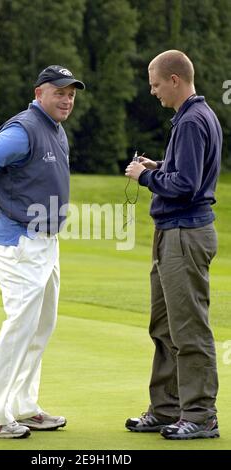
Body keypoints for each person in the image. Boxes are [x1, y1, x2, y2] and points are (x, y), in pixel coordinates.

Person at [0, 65, 85, 439]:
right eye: (59, 92)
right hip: (19, 241)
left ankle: (23, 405)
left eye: (71, 93)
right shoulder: (24, 129)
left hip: (46, 243)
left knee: (41, 325)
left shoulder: (55, 128)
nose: (67, 99)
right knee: (20, 325)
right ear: (39, 93)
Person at [124, 50, 221, 440]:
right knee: (164, 327)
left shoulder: (193, 121)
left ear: (175, 80)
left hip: (185, 233)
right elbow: (180, 171)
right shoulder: (190, 118)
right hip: (172, 233)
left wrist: (144, 178)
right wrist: (156, 167)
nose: (153, 92)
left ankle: (200, 415)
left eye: (156, 84)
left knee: (189, 329)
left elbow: (187, 186)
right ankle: (166, 409)